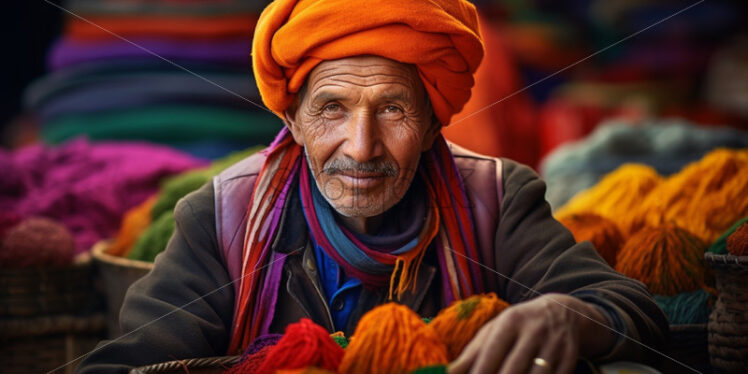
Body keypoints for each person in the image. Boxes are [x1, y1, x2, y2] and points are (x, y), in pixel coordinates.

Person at [76, 0, 668, 373]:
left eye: (393, 110)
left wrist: (568, 316)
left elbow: (635, 314)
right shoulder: (222, 216)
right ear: (292, 120)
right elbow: (129, 363)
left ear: (435, 121)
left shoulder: (497, 198)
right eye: (331, 108)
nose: (361, 147)